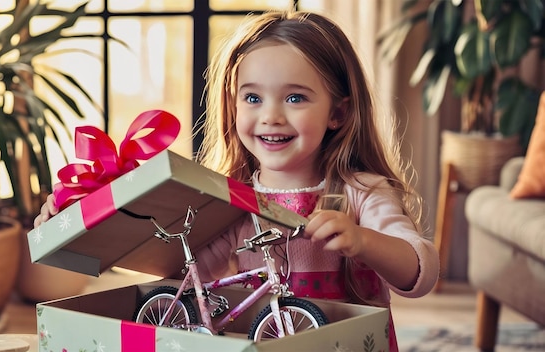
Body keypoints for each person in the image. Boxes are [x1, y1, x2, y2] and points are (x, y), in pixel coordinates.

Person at [35, 10, 439, 351]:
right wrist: (75, 219)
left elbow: (419, 272)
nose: (271, 116)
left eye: (295, 98)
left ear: (338, 113)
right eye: (252, 98)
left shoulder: (360, 192)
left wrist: (365, 241)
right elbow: (182, 282)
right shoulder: (231, 201)